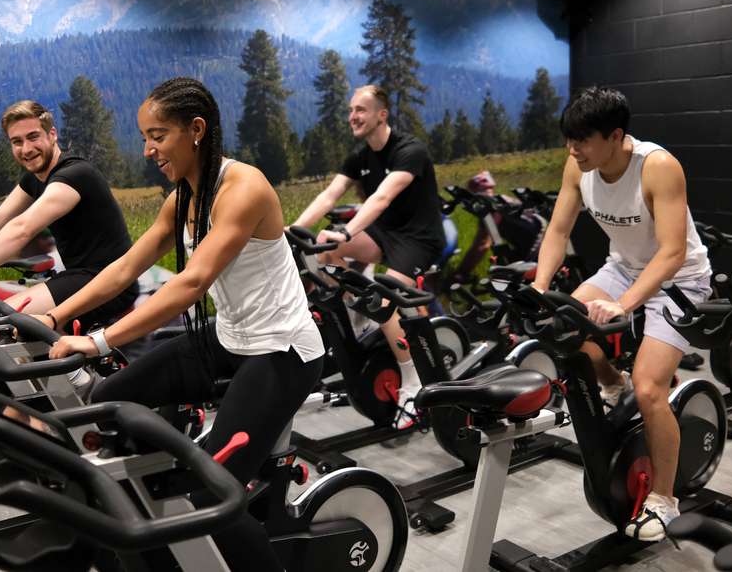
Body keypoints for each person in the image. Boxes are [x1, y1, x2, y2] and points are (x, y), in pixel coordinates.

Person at [37, 77, 324, 571]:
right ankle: (156, 512)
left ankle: (198, 511)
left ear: (196, 130)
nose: (148, 150)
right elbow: (126, 269)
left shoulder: (243, 189)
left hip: (282, 351)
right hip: (228, 338)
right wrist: (55, 314)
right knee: (104, 404)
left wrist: (99, 341)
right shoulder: (183, 199)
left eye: (158, 136)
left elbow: (190, 284)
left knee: (214, 494)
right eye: (145, 138)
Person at [530, 86, 711, 541]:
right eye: (569, 140)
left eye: (583, 141)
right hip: (622, 269)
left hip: (680, 280)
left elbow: (671, 253)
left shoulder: (659, 167)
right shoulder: (579, 164)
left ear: (616, 136)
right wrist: (539, 286)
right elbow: (558, 229)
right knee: (563, 327)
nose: (573, 150)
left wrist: (624, 304)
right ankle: (613, 383)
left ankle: (665, 500)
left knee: (651, 390)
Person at [0, 100, 138, 393]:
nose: (26, 149)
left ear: (52, 135)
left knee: (3, 326)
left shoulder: (74, 175)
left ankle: (84, 387)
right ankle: (35, 403)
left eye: (33, 137)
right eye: (17, 142)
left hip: (108, 280)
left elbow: (21, 228)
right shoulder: (35, 178)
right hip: (80, 276)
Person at [292, 85, 445, 428]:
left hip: (418, 239)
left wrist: (347, 231)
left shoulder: (410, 150)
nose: (352, 116)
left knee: (384, 295)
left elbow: (381, 198)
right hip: (384, 235)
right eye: (350, 110)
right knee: (324, 246)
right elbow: (330, 196)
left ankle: (412, 380)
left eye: (361, 110)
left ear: (382, 114)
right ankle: (358, 312)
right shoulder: (360, 158)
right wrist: (292, 230)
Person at [449, 170, 545, 284]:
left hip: (538, 244)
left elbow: (482, 245)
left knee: (518, 279)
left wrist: (461, 272)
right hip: (538, 240)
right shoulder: (504, 199)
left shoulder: (489, 209)